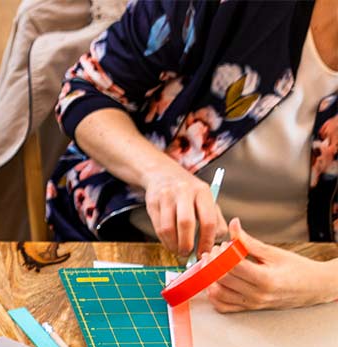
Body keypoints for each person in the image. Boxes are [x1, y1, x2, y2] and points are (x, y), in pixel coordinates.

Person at [47, 0, 338, 312]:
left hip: (301, 274)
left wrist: (323, 282)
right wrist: (160, 174)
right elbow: (86, 90)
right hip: (129, 241)